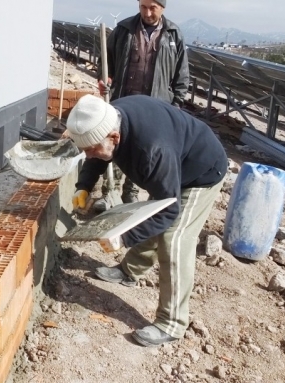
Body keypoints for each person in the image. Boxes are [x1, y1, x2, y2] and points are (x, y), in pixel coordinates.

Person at [68, 94, 227, 347]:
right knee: (152, 217)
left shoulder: (152, 150)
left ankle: (171, 323)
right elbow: (96, 154)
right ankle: (129, 272)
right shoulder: (105, 119)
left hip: (200, 172)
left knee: (173, 238)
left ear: (114, 137)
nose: (88, 155)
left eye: (91, 149)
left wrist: (124, 237)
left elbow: (168, 210)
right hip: (172, 165)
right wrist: (84, 185)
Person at [93, 0, 190, 212]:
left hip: (156, 108)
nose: (147, 13)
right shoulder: (124, 30)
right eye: (143, 7)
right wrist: (104, 78)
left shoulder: (173, 35)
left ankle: (132, 192)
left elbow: (181, 75)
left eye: (152, 8)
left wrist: (176, 104)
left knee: (144, 150)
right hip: (123, 102)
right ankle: (110, 192)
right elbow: (106, 60)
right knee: (116, 146)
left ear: (162, 7)